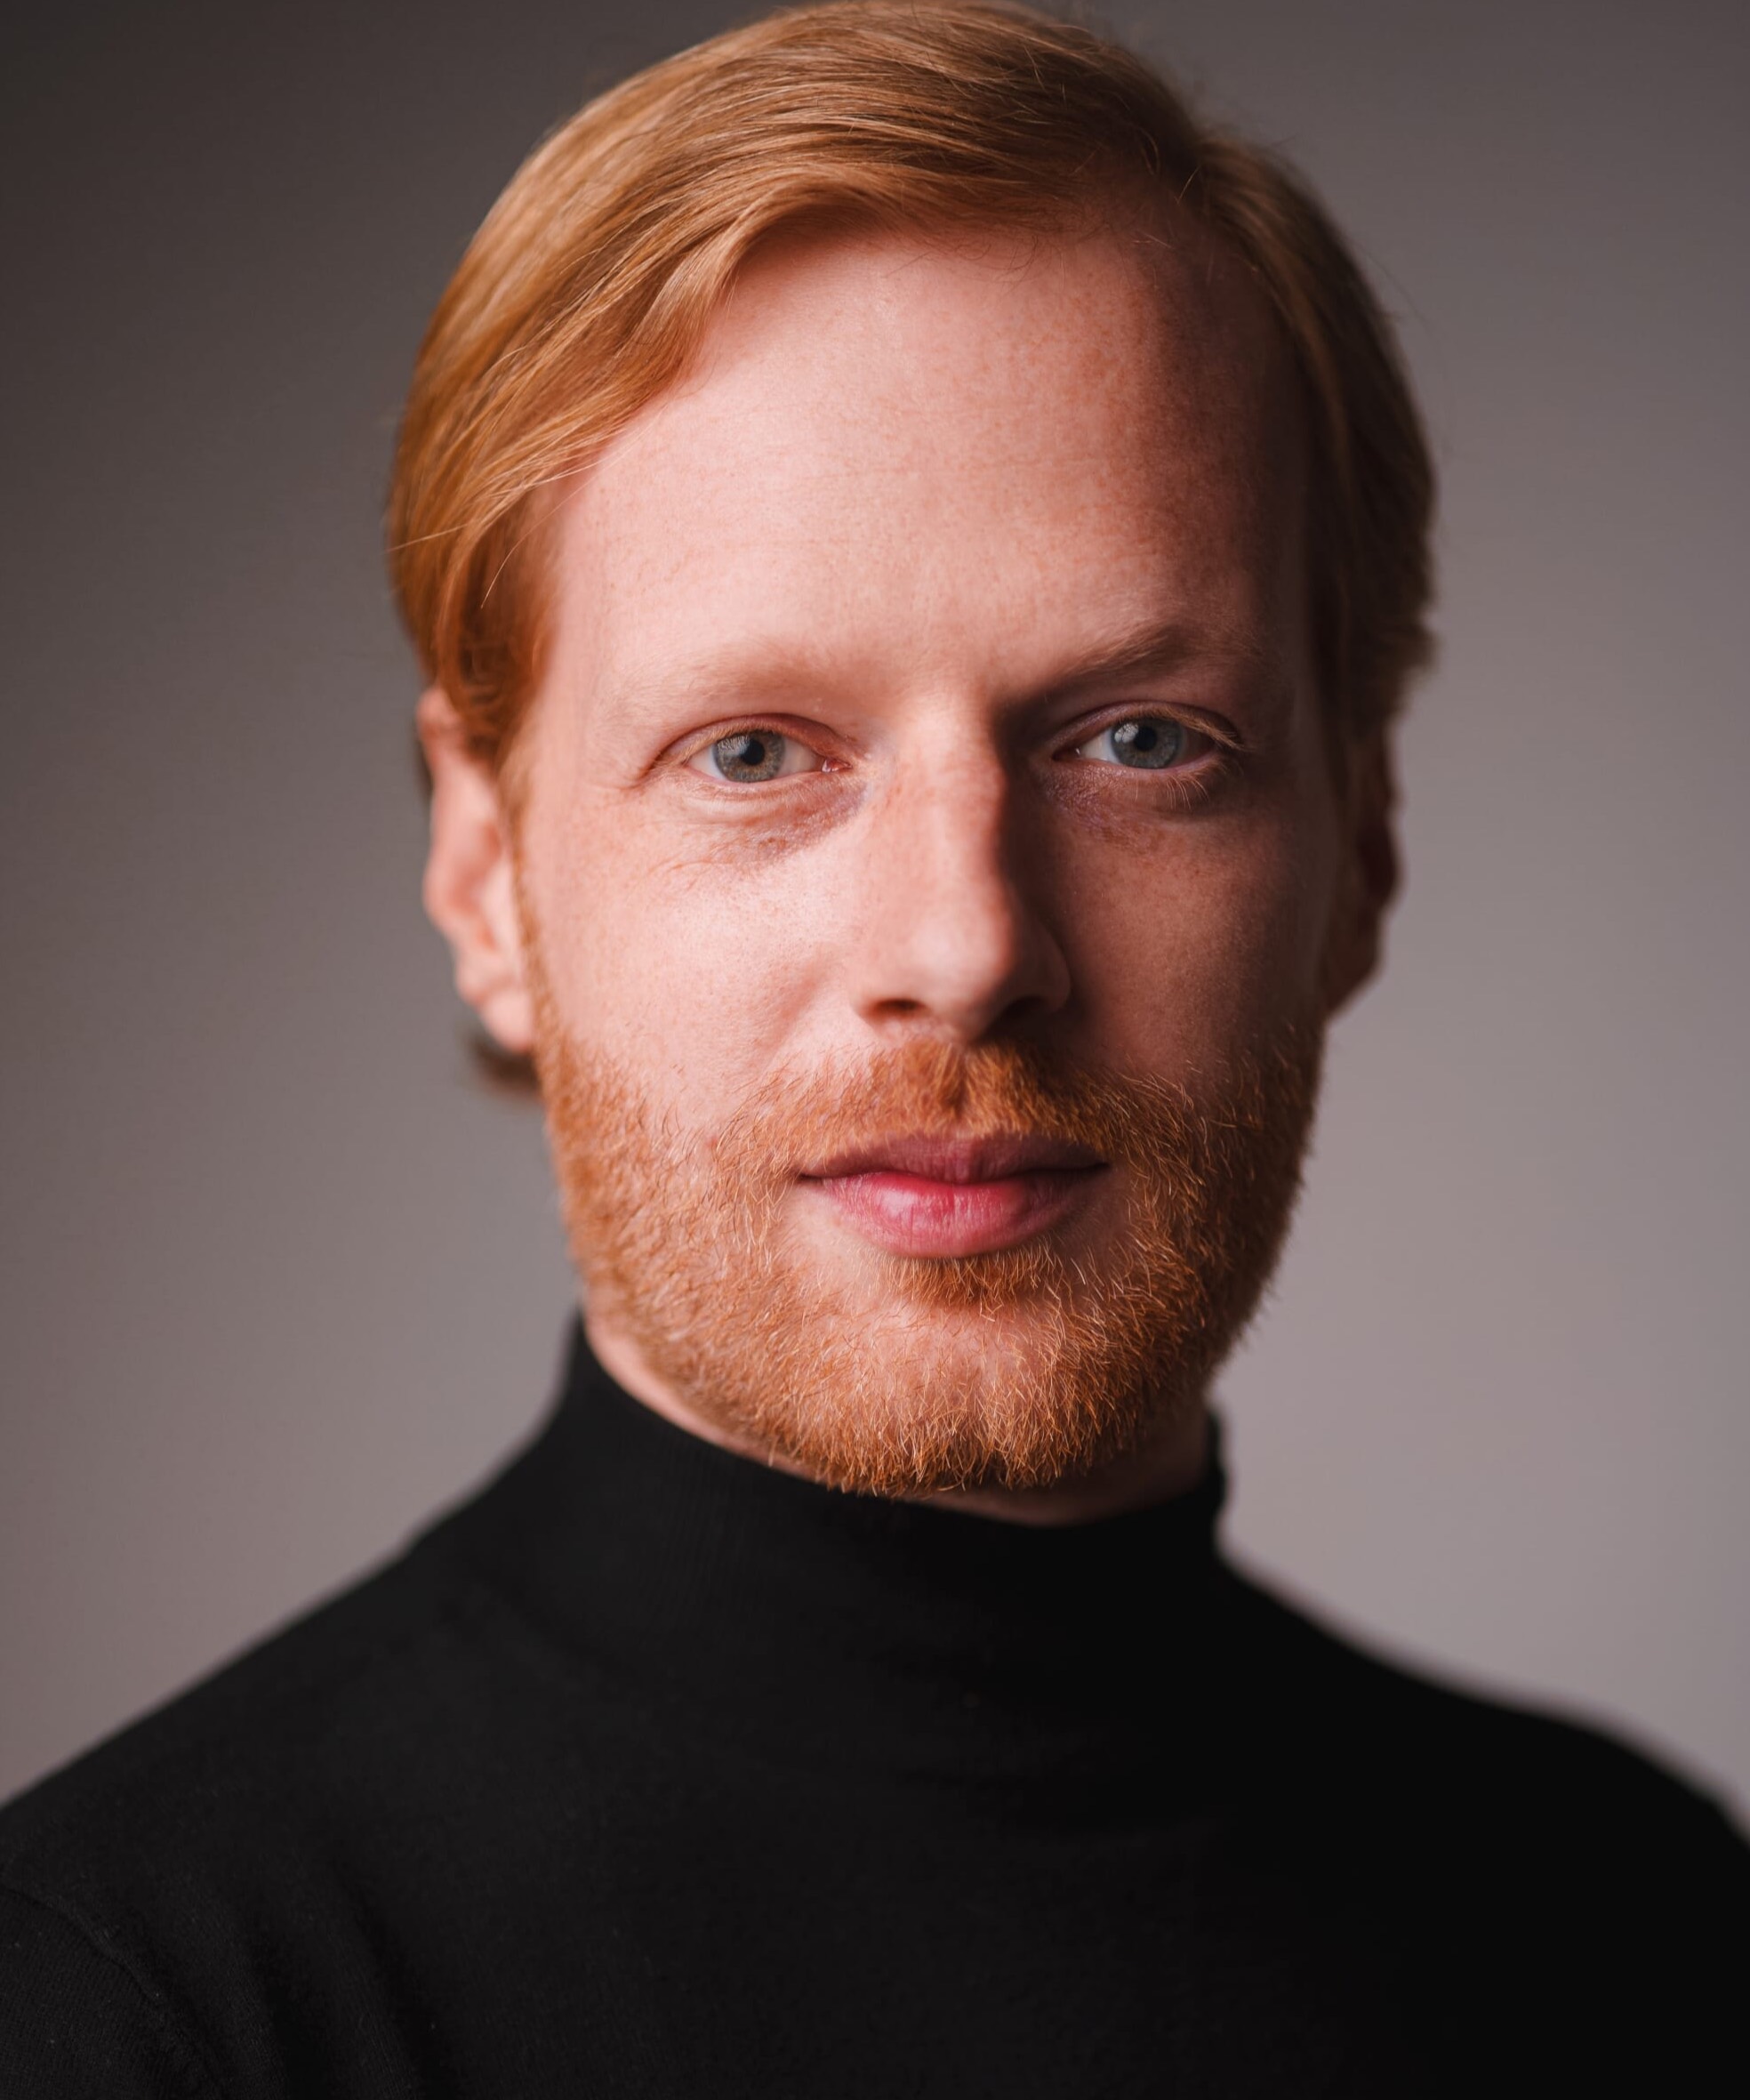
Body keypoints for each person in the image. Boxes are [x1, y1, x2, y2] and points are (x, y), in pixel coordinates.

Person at [2, 3, 1743, 2091]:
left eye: (1142, 739)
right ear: (485, 871)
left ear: (1363, 841)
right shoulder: (126, 2007)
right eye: (755, 752)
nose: (968, 945)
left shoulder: (1650, 1930)